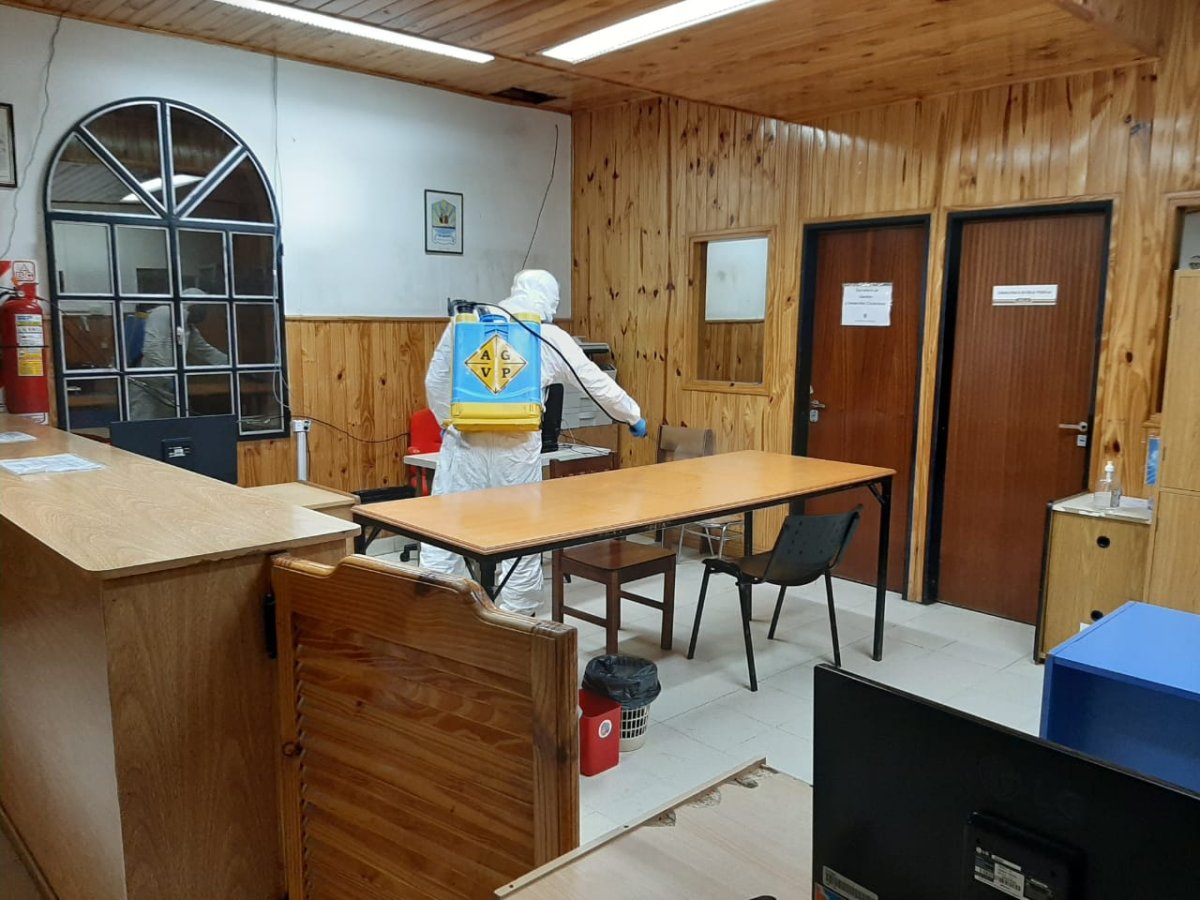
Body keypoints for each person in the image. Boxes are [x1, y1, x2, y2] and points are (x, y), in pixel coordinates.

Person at [422, 269, 647, 615]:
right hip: (516, 453)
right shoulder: (547, 334)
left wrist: (447, 422)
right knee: (520, 538)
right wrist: (632, 416)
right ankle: (516, 617)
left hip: (464, 445)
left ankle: (437, 611)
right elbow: (596, 383)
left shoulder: (465, 324)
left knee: (445, 531)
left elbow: (435, 381)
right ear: (550, 301)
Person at [127, 289, 229, 420]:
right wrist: (167, 374)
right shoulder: (164, 312)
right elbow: (151, 348)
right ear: (193, 305)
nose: (205, 312)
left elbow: (206, 352)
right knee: (142, 425)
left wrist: (236, 366)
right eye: (203, 307)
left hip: (165, 386)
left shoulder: (186, 326)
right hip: (146, 385)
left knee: (170, 425)